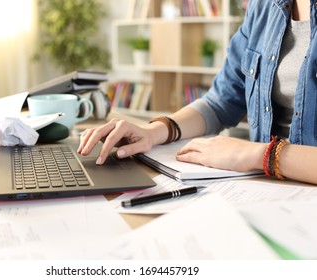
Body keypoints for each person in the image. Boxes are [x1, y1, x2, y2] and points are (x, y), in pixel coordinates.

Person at [78, 0, 317, 185]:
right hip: (267, 187)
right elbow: (221, 101)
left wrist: (261, 155)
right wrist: (154, 131)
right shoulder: (263, 7)